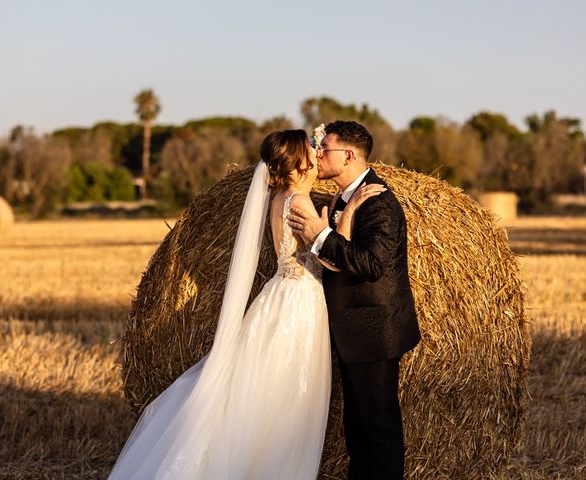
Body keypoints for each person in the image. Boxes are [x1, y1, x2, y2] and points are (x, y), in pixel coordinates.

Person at [108, 129, 380, 480]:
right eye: (311, 150)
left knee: (264, 389)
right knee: (287, 400)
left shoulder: (280, 196)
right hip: (299, 304)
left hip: (280, 293)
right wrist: (351, 209)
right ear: (298, 163)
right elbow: (329, 260)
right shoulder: (299, 201)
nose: (317, 154)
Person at [289, 120, 421, 480]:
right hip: (353, 331)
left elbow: (371, 264)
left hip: (374, 331)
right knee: (358, 427)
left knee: (378, 427)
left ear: (347, 155)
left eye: (324, 147)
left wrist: (320, 235)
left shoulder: (377, 201)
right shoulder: (346, 196)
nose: (317, 153)